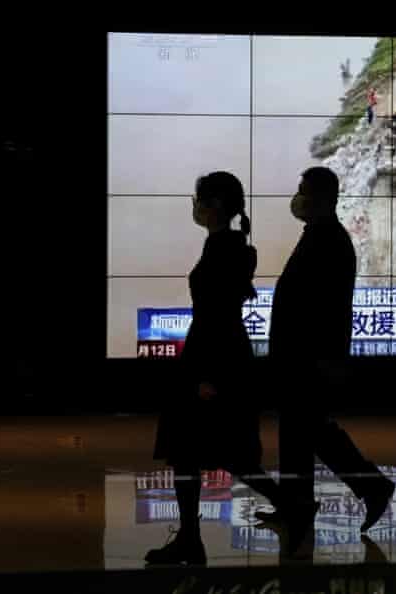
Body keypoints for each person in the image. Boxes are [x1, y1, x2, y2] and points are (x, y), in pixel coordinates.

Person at [146, 171, 284, 566]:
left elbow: (217, 315)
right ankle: (193, 537)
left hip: (212, 357)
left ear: (215, 205)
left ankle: (191, 540)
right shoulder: (229, 245)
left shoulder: (224, 249)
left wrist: (207, 375)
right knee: (221, 451)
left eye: (199, 200)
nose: (195, 207)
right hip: (221, 355)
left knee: (193, 449)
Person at [258, 166, 395, 550]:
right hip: (298, 356)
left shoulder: (330, 240)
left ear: (321, 198)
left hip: (310, 358)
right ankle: (297, 506)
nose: (297, 198)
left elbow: (331, 309)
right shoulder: (318, 235)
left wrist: (328, 360)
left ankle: (371, 486)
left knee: (309, 430)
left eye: (303, 191)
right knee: (299, 434)